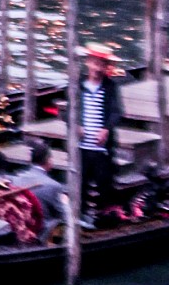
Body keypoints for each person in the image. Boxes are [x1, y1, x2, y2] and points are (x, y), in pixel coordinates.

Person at [78, 46, 123, 220]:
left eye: (101, 65)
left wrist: (106, 129)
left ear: (106, 67)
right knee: (81, 184)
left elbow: (116, 112)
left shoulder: (111, 87)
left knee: (105, 183)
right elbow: (69, 113)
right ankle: (80, 216)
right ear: (88, 63)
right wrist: (77, 125)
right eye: (95, 63)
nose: (97, 68)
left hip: (102, 148)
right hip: (82, 146)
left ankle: (105, 217)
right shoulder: (78, 86)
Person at [21, 140, 69, 241]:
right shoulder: (53, 186)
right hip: (42, 233)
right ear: (48, 160)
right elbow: (65, 216)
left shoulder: (16, 179)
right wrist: (65, 202)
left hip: (21, 227)